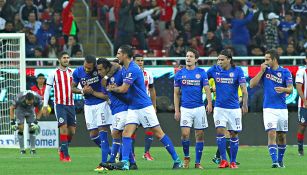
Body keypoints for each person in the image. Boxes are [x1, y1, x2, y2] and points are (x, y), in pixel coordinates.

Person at [107, 45, 182, 170]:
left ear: (125, 55)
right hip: (133, 107)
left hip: (143, 107)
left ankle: (177, 159)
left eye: (119, 53)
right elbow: (112, 64)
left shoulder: (133, 69)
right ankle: (125, 162)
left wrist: (112, 88)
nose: (117, 56)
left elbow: (124, 89)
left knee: (159, 134)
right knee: (126, 133)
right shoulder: (125, 68)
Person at [250, 49, 293, 168]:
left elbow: (291, 89)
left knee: (282, 136)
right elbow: (252, 84)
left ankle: (280, 160)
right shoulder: (264, 71)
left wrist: (284, 89)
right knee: (272, 133)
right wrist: (260, 71)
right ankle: (274, 161)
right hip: (268, 108)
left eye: (267, 59)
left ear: (274, 59)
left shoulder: (285, 72)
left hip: (282, 108)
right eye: (265, 59)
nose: (265, 61)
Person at [207, 49, 248, 169]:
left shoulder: (237, 70)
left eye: (222, 59)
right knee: (220, 132)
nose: (219, 62)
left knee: (233, 134)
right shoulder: (214, 70)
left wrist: (245, 104)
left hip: (234, 108)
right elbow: (202, 80)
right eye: (218, 59)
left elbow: (244, 89)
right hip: (219, 108)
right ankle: (223, 160)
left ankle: (233, 161)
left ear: (229, 60)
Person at [96, 58, 138, 171]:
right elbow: (106, 95)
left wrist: (115, 89)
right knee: (118, 134)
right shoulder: (103, 81)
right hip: (114, 110)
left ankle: (112, 160)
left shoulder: (119, 74)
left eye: (101, 70)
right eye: (98, 70)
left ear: (107, 69)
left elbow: (126, 89)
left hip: (123, 109)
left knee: (116, 133)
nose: (99, 72)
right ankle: (132, 162)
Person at [174, 48, 213, 169]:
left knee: (199, 135)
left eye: (191, 56)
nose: (188, 58)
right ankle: (186, 157)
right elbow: (176, 93)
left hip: (199, 108)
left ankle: (197, 162)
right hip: (185, 108)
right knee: (185, 134)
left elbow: (207, 89)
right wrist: (177, 110)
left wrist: (210, 103)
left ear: (196, 59)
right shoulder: (179, 73)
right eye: (187, 56)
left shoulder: (201, 72)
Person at [71, 55, 112, 168]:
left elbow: (113, 66)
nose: (87, 70)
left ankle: (103, 163)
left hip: (101, 103)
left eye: (90, 68)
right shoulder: (78, 72)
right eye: (85, 67)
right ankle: (114, 153)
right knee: (93, 135)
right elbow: (72, 87)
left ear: (94, 65)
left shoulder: (99, 70)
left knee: (103, 132)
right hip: (88, 105)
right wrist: (82, 91)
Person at [42, 51, 76, 162]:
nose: (66, 59)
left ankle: (62, 147)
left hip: (71, 104)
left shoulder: (73, 72)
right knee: (63, 128)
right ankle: (65, 155)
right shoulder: (53, 73)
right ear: (59, 60)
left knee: (72, 131)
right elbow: (47, 90)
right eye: (64, 57)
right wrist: (45, 105)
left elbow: (78, 87)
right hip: (59, 105)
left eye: (67, 57)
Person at [210, 78, 242, 165]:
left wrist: (233, 103)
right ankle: (230, 159)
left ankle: (219, 157)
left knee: (229, 134)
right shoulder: (213, 77)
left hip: (232, 109)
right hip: (220, 107)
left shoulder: (234, 81)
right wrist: (212, 90)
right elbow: (205, 89)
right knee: (225, 133)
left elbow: (240, 97)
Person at [132, 54, 156, 161]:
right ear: (133, 61)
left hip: (146, 106)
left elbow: (152, 90)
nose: (140, 62)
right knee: (132, 129)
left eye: (142, 60)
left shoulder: (148, 74)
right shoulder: (130, 73)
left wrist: (154, 106)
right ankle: (132, 154)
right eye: (138, 60)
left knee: (149, 128)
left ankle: (147, 153)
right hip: (134, 106)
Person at [295, 55, 307, 156]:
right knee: (303, 126)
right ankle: (300, 149)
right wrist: (304, 100)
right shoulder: (301, 71)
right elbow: (298, 87)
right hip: (304, 104)